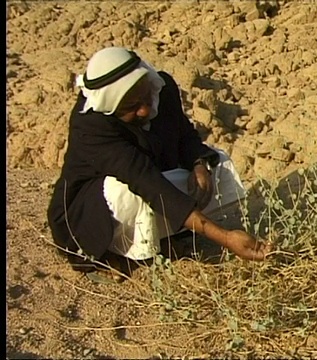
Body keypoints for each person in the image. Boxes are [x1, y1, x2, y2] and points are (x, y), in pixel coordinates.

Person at [47, 47, 272, 278]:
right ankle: (110, 252)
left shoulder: (160, 89)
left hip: (152, 180)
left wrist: (198, 163)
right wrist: (225, 237)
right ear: (111, 105)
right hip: (92, 208)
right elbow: (147, 183)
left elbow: (184, 134)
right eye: (130, 107)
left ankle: (164, 238)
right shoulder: (92, 126)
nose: (145, 109)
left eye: (145, 98)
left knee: (217, 163)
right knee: (124, 192)